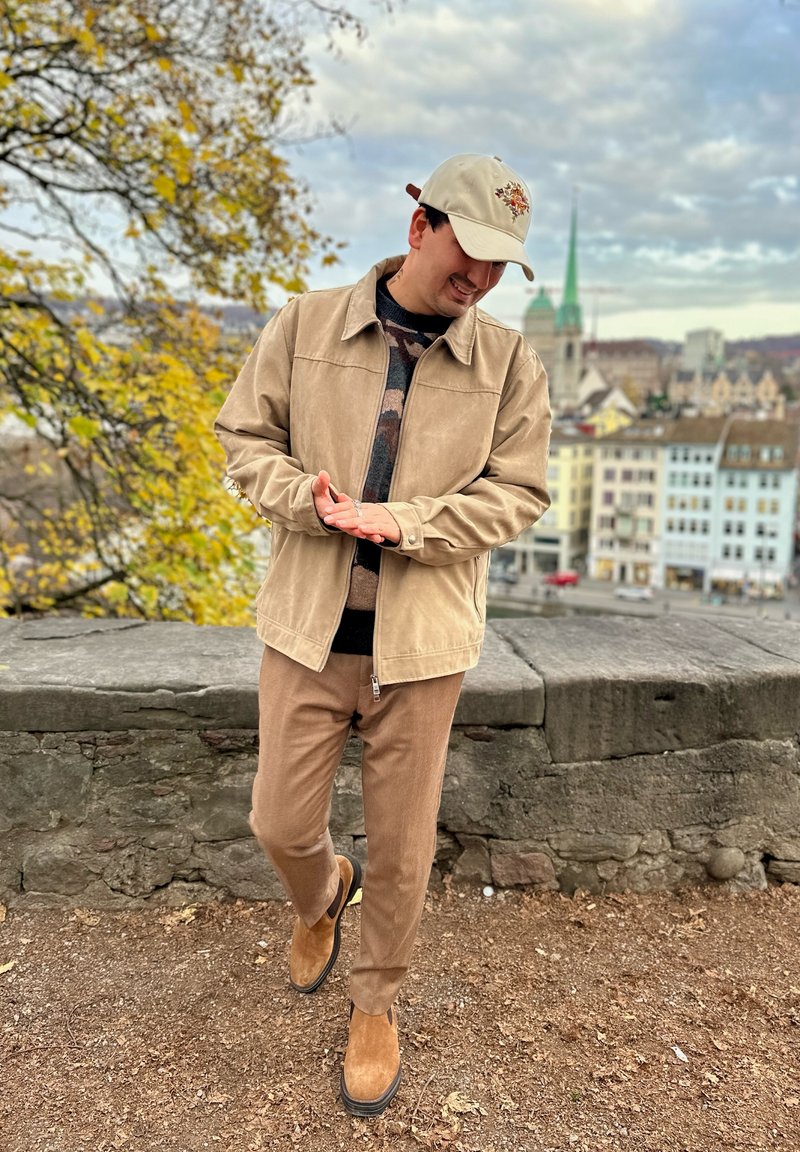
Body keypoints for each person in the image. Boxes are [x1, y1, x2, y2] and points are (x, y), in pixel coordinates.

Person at [214, 153, 551, 1116]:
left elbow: (520, 493)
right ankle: (322, 892)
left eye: (499, 266)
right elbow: (245, 442)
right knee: (278, 822)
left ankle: (376, 1006)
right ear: (420, 227)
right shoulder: (306, 323)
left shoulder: (509, 363)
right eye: (470, 253)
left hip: (423, 645)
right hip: (307, 632)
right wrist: (306, 502)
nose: (481, 280)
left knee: (403, 849)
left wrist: (411, 523)